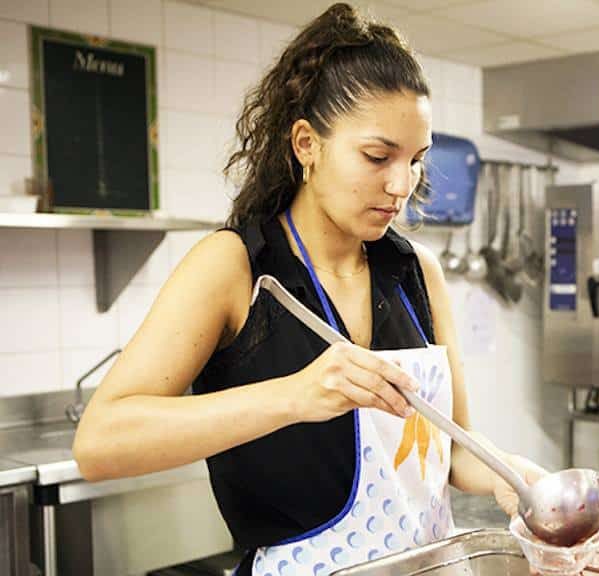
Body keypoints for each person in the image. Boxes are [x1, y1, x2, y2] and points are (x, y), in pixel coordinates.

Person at [71, 4, 547, 574]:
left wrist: (511, 475)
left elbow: (451, 448)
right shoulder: (236, 267)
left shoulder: (418, 271)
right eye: (377, 156)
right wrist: (295, 395)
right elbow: (99, 442)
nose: (402, 185)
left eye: (416, 160)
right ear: (306, 144)